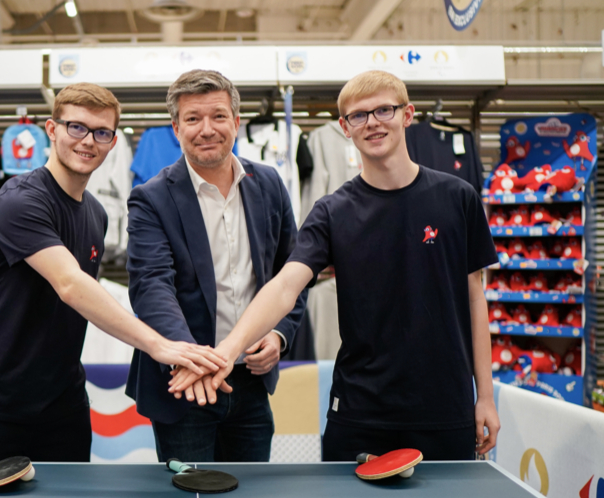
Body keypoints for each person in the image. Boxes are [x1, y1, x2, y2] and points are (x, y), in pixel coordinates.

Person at [171, 70, 501, 461]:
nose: (372, 123)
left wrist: (485, 396)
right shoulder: (331, 212)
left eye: (384, 110)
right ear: (345, 128)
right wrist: (229, 350)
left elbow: (474, 298)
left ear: (407, 114)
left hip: (446, 407)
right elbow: (284, 286)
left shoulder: (458, 198)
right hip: (360, 412)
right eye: (358, 116)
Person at [0, 83, 227, 463]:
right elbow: (69, 284)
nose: (88, 141)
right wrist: (159, 345)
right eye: (76, 127)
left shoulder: (96, 214)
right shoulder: (20, 200)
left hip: (63, 404)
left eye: (101, 133)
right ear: (52, 129)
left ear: (113, 143)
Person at [125, 69, 307, 463]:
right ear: (177, 128)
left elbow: (292, 274)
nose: (207, 129)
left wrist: (278, 334)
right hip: (185, 385)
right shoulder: (151, 198)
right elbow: (151, 286)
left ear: (236, 122)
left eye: (218, 116)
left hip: (251, 380)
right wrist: (193, 359)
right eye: (193, 118)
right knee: (192, 489)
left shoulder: (269, 185)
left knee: (252, 488)